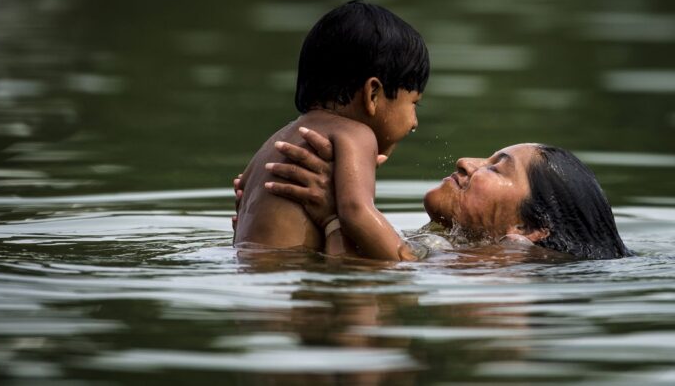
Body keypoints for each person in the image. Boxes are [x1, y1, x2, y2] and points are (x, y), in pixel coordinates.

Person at [233, 0, 429, 261]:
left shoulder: (275, 141)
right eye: (414, 103)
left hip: (248, 277)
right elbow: (356, 212)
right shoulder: (356, 135)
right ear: (373, 94)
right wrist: (406, 260)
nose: (414, 122)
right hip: (294, 278)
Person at [248, 128, 631, 260]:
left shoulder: (498, 267)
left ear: (529, 227)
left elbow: (362, 281)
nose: (466, 162)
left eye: (497, 167)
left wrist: (335, 214)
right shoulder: (460, 250)